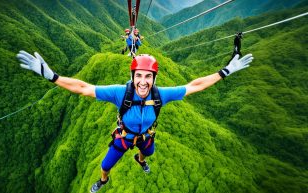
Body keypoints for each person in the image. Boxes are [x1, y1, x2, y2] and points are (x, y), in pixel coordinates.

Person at [16, 51, 254, 193]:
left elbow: (195, 85)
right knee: (106, 165)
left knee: (147, 153)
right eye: (138, 75)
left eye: (147, 76)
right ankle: (102, 181)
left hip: (146, 136)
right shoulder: (121, 92)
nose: (143, 81)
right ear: (132, 77)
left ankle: (140, 160)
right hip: (123, 136)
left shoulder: (161, 95)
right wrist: (52, 76)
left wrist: (225, 72)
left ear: (154, 78)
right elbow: (83, 88)